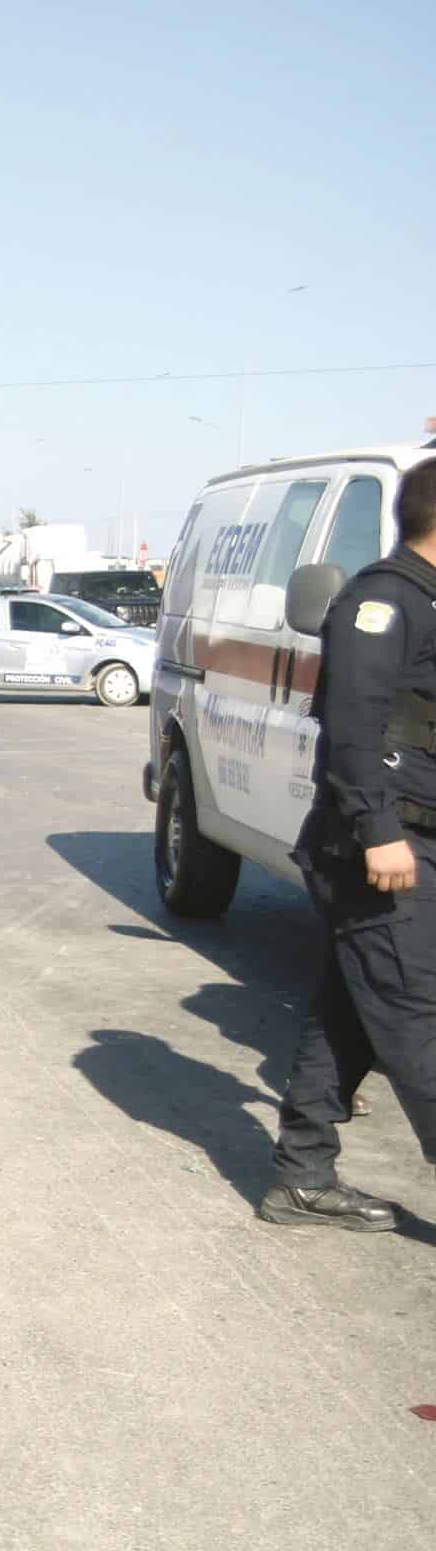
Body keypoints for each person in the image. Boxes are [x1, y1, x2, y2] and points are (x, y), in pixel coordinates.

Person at [259, 456, 436, 1229]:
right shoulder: (383, 602)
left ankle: (301, 1178)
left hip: (410, 838)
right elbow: (355, 726)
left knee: (352, 1012)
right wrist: (378, 831)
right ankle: (301, 1176)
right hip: (382, 848)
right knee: (418, 1013)